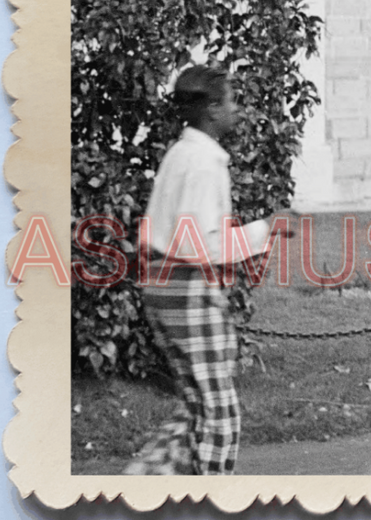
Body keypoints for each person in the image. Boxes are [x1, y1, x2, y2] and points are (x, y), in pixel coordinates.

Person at [136, 65, 281, 475]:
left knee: (196, 403)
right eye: (231, 100)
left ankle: (148, 483)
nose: (237, 109)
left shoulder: (183, 154)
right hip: (183, 284)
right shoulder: (202, 162)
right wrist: (265, 231)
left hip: (163, 283)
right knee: (219, 412)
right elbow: (196, 244)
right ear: (212, 109)